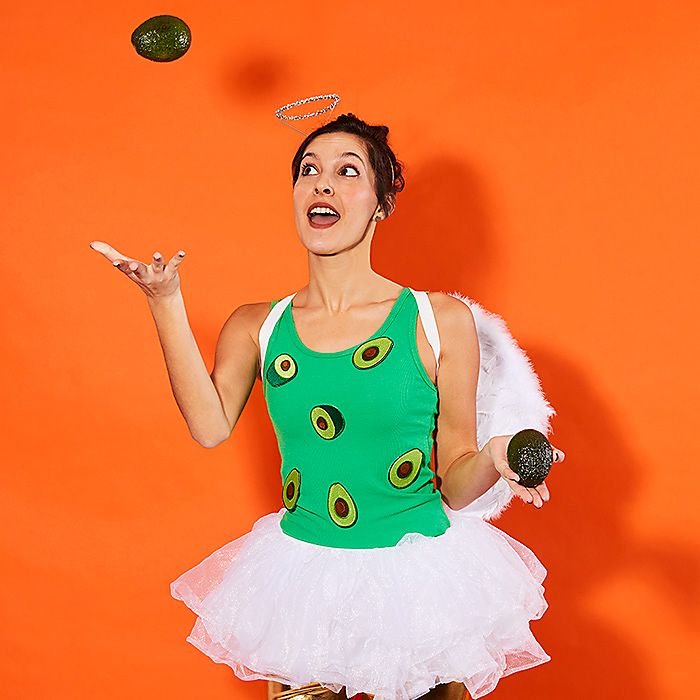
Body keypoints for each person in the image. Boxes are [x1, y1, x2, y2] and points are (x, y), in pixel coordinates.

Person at [89, 112, 565, 700]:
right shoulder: (258, 326)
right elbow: (209, 427)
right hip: (305, 585)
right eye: (309, 171)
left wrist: (495, 454)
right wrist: (165, 301)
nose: (322, 184)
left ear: (381, 204)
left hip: (418, 586)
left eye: (347, 172)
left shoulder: (438, 321)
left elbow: (457, 481)